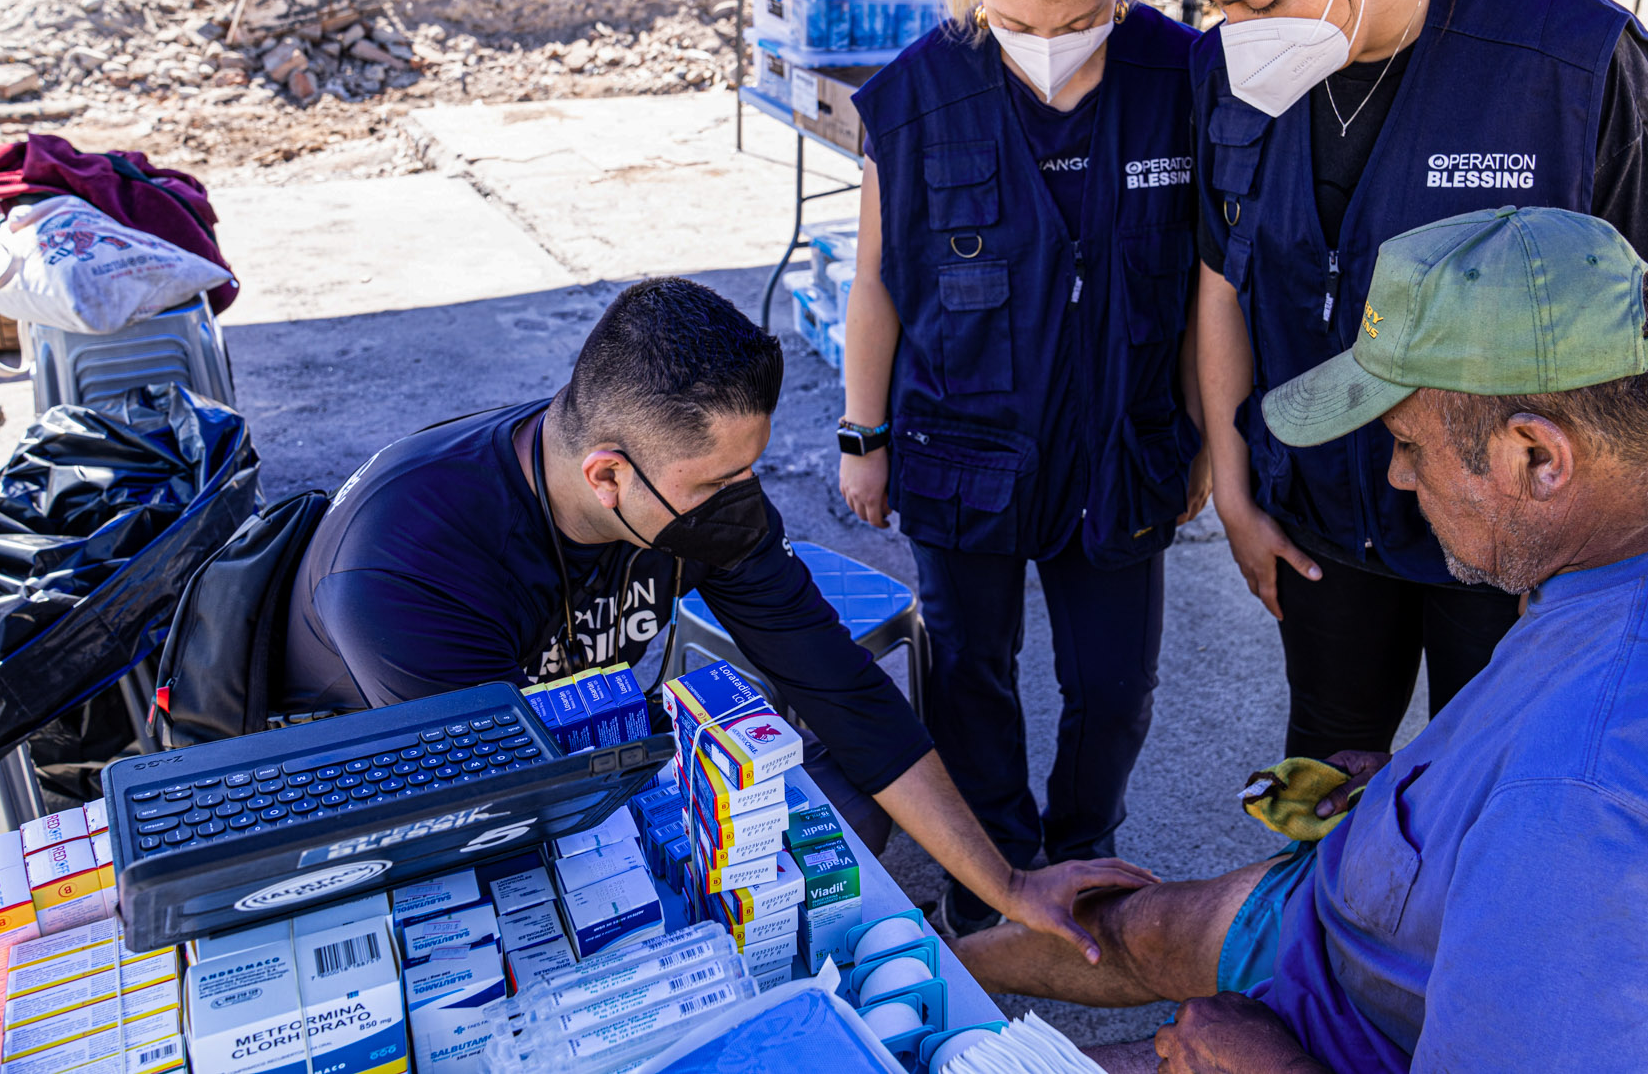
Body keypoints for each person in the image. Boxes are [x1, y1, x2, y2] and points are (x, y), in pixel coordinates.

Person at [955, 207, 1648, 1074]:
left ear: (1534, 455)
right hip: (1410, 921)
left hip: (1384, 1026)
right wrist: (1433, 781)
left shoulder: (1587, 810)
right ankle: (897, 960)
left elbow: (1589, 817)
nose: (1394, 481)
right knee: (1129, 930)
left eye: (1406, 446)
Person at [282, 276, 1155, 960]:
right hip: (396, 809)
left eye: (750, 472)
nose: (743, 506)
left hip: (570, 760)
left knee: (837, 813)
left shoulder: (682, 487)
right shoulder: (411, 566)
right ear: (606, 474)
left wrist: (1006, 884)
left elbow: (840, 682)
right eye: (714, 486)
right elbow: (514, 818)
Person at [1168, 0, 1648, 761]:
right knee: (1324, 772)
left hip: (1512, 535)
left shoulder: (1572, 56)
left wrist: (1584, 548)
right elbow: (1220, 277)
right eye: (1211, 4)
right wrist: (1235, 495)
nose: (1233, 34)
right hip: (1319, 510)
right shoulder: (1228, 69)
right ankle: (1312, 928)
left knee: (1495, 779)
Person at [839, 0, 1210, 940]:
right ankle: (992, 878)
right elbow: (877, 285)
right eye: (1012, 23)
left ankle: (1082, 850)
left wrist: (1209, 441)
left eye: (1081, 19)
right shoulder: (913, 96)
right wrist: (863, 436)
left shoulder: (1181, 81)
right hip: (959, 446)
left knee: (1113, 686)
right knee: (969, 675)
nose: (1048, 46)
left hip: (1123, 448)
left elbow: (1209, 284)